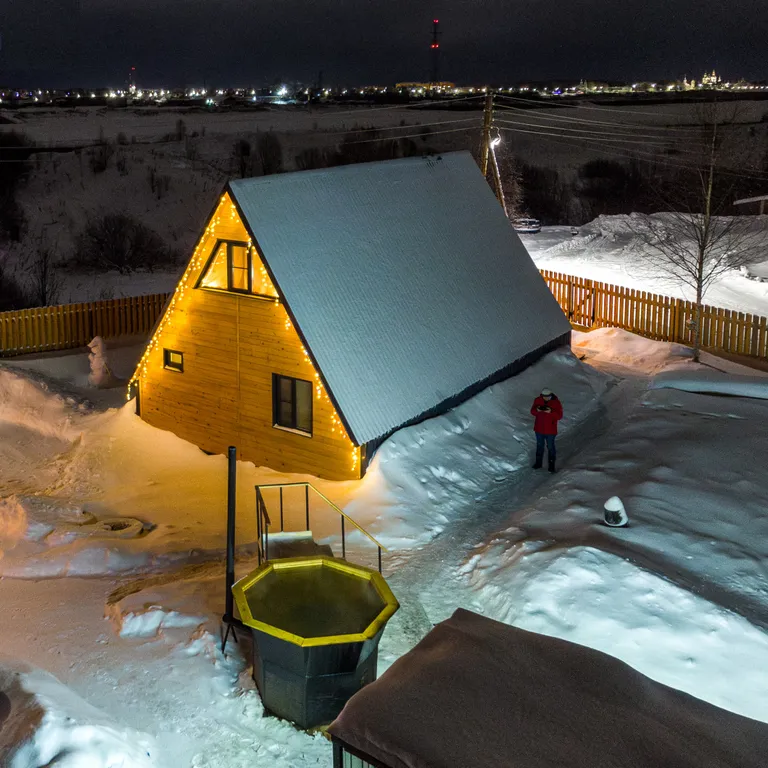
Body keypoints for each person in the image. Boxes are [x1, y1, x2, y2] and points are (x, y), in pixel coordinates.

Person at [530, 388, 563, 472]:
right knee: (539, 446)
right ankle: (538, 463)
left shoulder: (556, 402)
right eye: (544, 396)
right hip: (539, 429)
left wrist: (551, 412)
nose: (545, 398)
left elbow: (559, 416)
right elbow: (532, 412)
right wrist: (537, 410)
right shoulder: (537, 400)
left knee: (550, 447)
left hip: (550, 430)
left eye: (547, 396)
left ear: (550, 395)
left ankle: (551, 466)